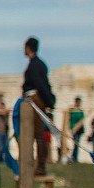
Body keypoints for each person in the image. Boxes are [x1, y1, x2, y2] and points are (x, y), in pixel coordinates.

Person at [22, 36, 55, 175]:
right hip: (35, 99)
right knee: (37, 134)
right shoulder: (38, 64)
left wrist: (49, 101)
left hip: (35, 100)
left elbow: (40, 85)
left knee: (39, 134)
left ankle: (41, 166)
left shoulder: (35, 65)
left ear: (28, 48)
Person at [65, 97, 85, 164]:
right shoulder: (72, 111)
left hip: (79, 130)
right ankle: (73, 157)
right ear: (76, 102)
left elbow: (82, 121)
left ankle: (74, 157)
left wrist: (77, 128)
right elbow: (69, 120)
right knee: (75, 143)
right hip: (73, 130)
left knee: (77, 144)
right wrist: (70, 129)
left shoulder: (81, 111)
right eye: (78, 102)